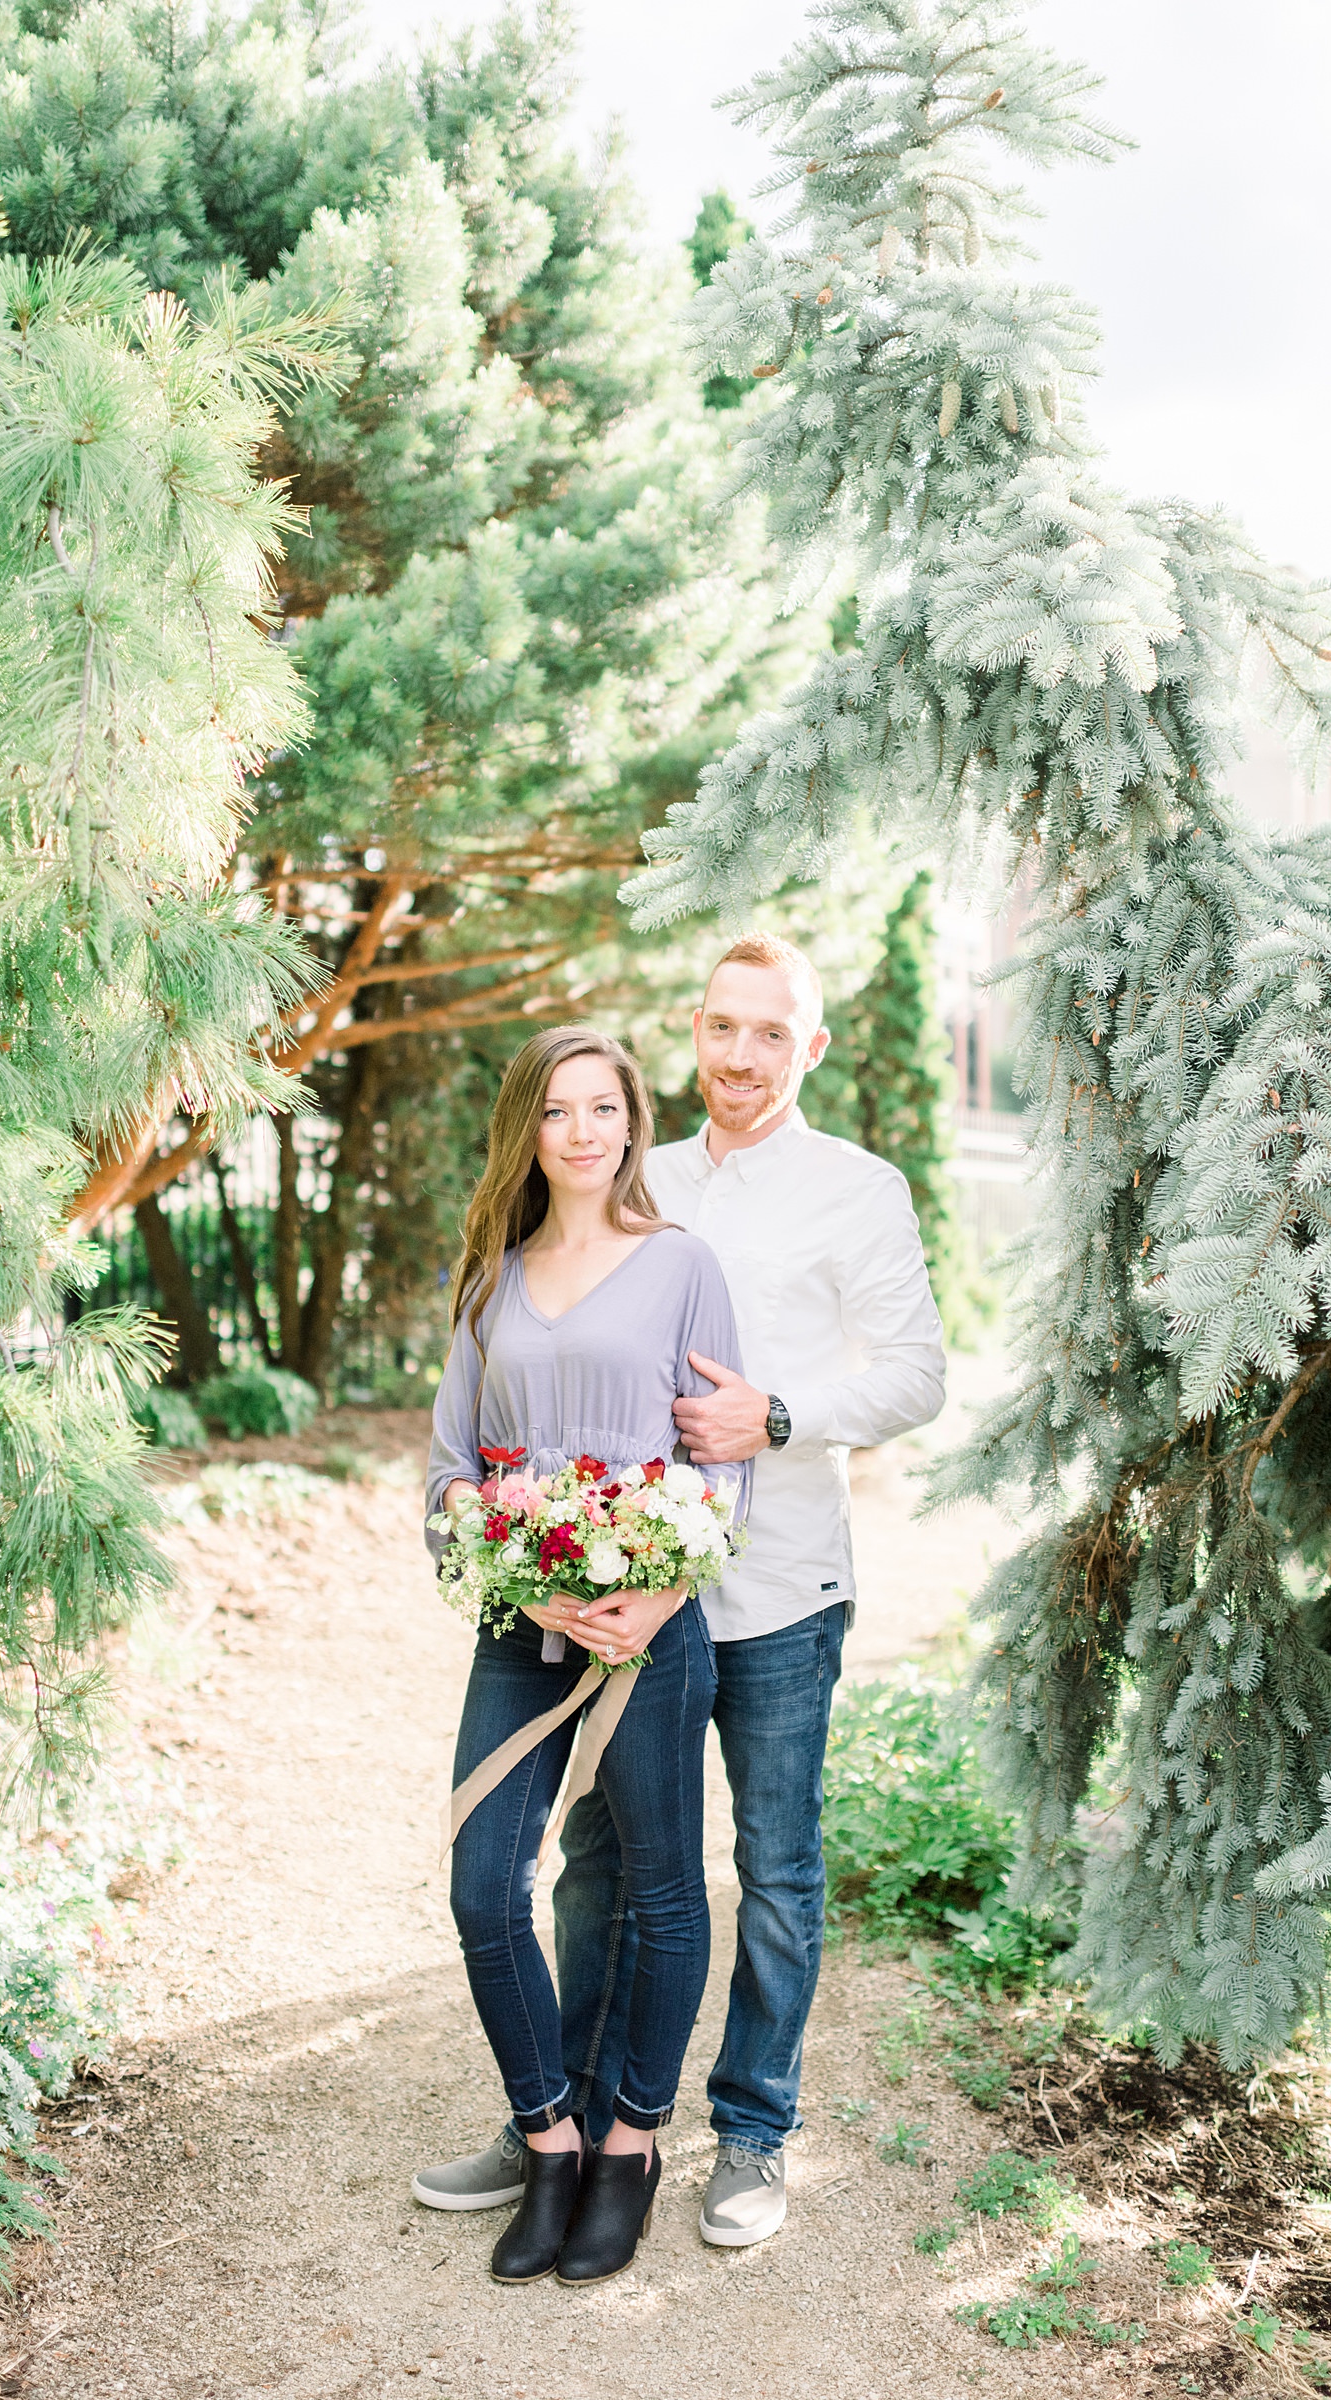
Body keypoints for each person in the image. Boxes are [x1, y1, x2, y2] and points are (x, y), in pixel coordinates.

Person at [415, 934, 946, 2248]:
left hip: (775, 1590)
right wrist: (537, 1561)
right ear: (693, 1035)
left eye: (770, 1033)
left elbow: (916, 1376)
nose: (741, 1054)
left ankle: (750, 2131)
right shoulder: (630, 1178)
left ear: (806, 1046)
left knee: (771, 1869)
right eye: (721, 1028)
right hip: (614, 1601)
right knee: (598, 1863)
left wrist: (778, 1416)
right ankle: (576, 2120)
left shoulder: (857, 1189)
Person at [425, 1024, 750, 2287]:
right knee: (480, 1884)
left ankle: (631, 2147)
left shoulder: (680, 1267)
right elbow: (454, 1475)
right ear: (529, 1129)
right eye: (558, 1111)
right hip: (525, 1629)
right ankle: (549, 2137)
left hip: (649, 1628)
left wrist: (660, 1592)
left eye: (604, 1107)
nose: (583, 1131)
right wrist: (518, 1581)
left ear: (633, 1121)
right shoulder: (489, 1282)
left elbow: (719, 1452)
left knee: (664, 1890)